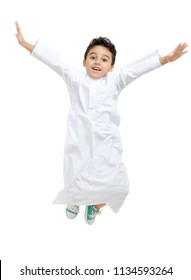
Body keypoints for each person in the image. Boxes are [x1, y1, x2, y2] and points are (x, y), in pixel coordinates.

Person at [15, 21, 188, 225]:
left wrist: (167, 59)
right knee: (75, 171)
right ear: (84, 61)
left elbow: (136, 70)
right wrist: (25, 43)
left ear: (111, 66)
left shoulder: (115, 82)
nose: (98, 62)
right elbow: (56, 62)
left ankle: (95, 205)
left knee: (120, 186)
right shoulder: (75, 80)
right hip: (78, 141)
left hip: (107, 142)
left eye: (104, 59)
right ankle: (74, 199)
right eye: (93, 57)